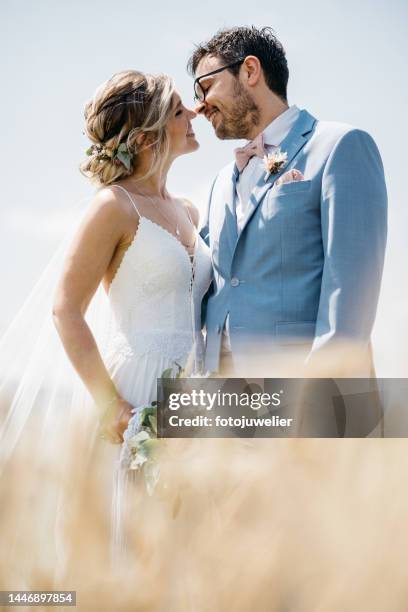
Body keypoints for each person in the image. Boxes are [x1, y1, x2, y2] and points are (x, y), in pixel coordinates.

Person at [188, 26, 388, 379]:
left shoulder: (340, 146)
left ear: (250, 71)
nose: (199, 105)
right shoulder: (221, 182)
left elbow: (350, 294)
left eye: (205, 87)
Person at [51, 70, 212, 445]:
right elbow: (65, 308)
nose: (193, 113)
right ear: (144, 139)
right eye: (177, 111)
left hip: (197, 388)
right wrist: (111, 405)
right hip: (140, 384)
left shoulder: (189, 212)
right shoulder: (113, 207)